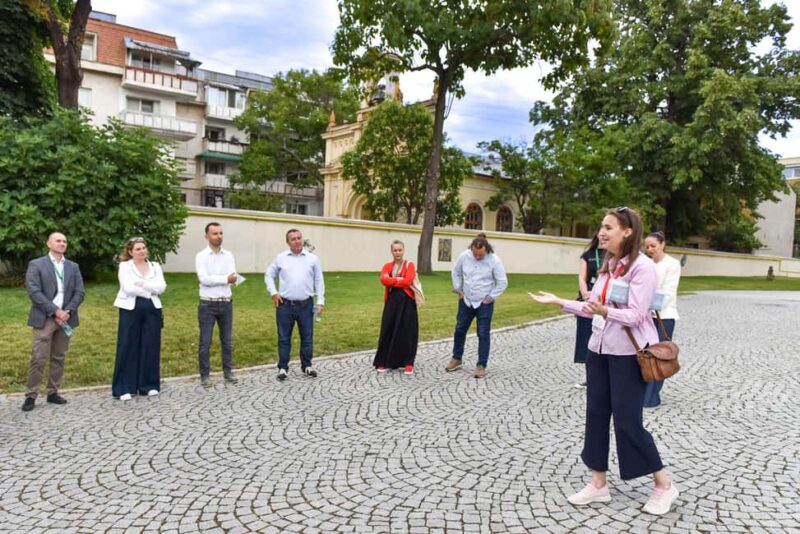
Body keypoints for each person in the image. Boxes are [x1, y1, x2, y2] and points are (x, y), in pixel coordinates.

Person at [529, 207, 679, 516]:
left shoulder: (643, 268)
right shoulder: (609, 266)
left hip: (627, 355)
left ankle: (664, 485)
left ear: (627, 232)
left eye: (608, 227)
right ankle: (598, 484)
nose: (602, 231)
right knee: (596, 415)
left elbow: (636, 315)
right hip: (598, 350)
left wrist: (604, 311)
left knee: (628, 422)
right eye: (602, 226)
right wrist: (561, 302)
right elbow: (592, 306)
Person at [22, 232, 85, 412]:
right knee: (38, 358)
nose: (62, 243)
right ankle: (31, 395)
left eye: (65, 241)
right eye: (58, 240)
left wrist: (67, 311)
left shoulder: (73, 267)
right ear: (48, 243)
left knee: (59, 357)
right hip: (45, 318)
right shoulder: (37, 264)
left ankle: (53, 392)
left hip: (66, 318)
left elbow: (80, 292)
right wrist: (54, 311)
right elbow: (34, 292)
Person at [265, 228, 325, 381]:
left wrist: (320, 301)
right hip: (285, 305)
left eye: (299, 238)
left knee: (307, 337)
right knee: (284, 338)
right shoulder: (281, 258)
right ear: (288, 242)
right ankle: (283, 368)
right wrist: (273, 292)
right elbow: (269, 275)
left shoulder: (312, 259)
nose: (297, 241)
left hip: (306, 304)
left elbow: (319, 280)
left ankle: (307, 366)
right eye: (293, 239)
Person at [445, 236, 508, 379]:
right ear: (472, 248)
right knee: (460, 329)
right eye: (475, 254)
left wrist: (491, 297)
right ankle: (457, 358)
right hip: (466, 300)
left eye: (481, 254)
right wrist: (458, 289)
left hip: (484, 303)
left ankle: (481, 365)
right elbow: (456, 272)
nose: (478, 256)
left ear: (486, 249)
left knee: (483, 333)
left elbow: (502, 282)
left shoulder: (494, 261)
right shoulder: (464, 256)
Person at [112, 237, 167, 400]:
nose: (142, 251)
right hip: (131, 309)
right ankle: (124, 387)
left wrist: (142, 285)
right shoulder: (124, 266)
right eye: (138, 249)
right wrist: (150, 289)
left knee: (150, 345)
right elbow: (127, 288)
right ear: (130, 252)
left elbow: (162, 286)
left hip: (152, 309)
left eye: (143, 248)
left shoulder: (155, 266)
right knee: (128, 345)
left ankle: (148, 385)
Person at [196, 222, 239, 388]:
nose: (219, 236)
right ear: (206, 236)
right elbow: (204, 279)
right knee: (205, 342)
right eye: (215, 233)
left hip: (226, 303)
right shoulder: (201, 256)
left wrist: (224, 279)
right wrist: (224, 279)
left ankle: (228, 371)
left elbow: (233, 275)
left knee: (227, 341)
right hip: (208, 304)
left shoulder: (228, 255)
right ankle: (204, 375)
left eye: (221, 233)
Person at [642, 231, 681, 408]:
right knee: (645, 354)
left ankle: (652, 396)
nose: (650, 249)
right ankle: (642, 393)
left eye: (653, 246)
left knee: (660, 355)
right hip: (644, 315)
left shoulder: (672, 264)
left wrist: (648, 302)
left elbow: (667, 291)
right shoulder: (646, 264)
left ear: (662, 244)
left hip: (664, 315)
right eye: (647, 247)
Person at [374, 240, 419, 374]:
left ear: (403, 251)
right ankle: (384, 361)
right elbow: (383, 280)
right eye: (395, 250)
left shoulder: (409, 265)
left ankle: (408, 362)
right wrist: (399, 280)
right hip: (392, 302)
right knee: (387, 329)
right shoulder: (387, 266)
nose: (397, 252)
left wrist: (393, 280)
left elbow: (408, 280)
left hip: (407, 303)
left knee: (408, 332)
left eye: (400, 250)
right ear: (391, 251)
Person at [573, 232, 604, 388]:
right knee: (586, 338)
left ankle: (603, 374)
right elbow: (582, 277)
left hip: (603, 302)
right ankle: (589, 376)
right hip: (588, 299)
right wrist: (585, 293)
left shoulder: (613, 255)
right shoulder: (588, 255)